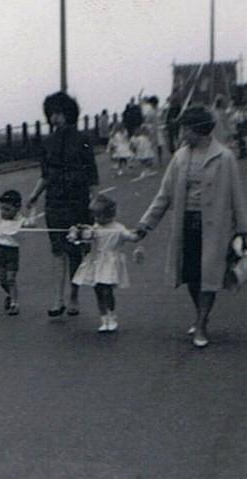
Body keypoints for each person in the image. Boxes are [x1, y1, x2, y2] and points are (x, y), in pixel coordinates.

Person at [136, 106, 247, 347]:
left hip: (215, 226)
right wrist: (145, 224)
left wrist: (242, 229)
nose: (182, 132)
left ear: (199, 129)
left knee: (210, 274)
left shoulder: (225, 157)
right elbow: (164, 196)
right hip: (187, 223)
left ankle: (201, 324)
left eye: (186, 128)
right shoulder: (180, 157)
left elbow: (237, 196)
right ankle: (201, 316)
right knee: (192, 275)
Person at [27, 91, 99, 318]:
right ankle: (57, 300)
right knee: (58, 252)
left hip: (78, 202)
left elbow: (92, 174)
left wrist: (95, 202)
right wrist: (34, 195)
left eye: (58, 113)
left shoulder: (83, 140)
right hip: (54, 203)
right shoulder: (47, 142)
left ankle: (74, 296)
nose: (54, 118)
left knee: (76, 251)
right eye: (51, 114)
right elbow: (45, 174)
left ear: (69, 113)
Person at [71, 195, 141, 332]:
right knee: (97, 289)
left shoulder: (118, 228)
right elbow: (86, 236)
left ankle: (111, 315)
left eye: (100, 216)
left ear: (109, 215)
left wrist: (139, 234)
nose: (97, 219)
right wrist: (78, 233)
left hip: (110, 262)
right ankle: (103, 318)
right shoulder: (95, 228)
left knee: (106, 290)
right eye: (95, 216)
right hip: (96, 261)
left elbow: (130, 237)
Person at [0, 178, 29, 315]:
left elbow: (31, 224)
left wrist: (32, 209)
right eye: (2, 208)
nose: (4, 211)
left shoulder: (20, 220)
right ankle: (10, 295)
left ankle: (14, 303)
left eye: (8, 209)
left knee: (11, 278)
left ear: (16, 209)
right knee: (2, 280)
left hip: (12, 251)